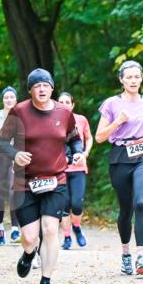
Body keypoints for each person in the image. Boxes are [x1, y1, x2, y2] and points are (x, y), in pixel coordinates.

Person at [0, 68, 84, 284]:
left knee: (50, 230)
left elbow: (74, 138)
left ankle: (46, 283)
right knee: (30, 237)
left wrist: (77, 153)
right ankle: (28, 253)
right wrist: (15, 155)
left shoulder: (64, 113)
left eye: (45, 85)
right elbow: (1, 142)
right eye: (37, 85)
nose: (42, 89)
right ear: (30, 90)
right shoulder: (19, 111)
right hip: (25, 183)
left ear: (52, 88)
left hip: (56, 180)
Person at [95, 60, 143, 276]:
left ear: (141, 78)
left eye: (137, 76)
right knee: (126, 210)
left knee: (141, 202)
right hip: (120, 157)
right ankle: (126, 253)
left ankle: (141, 256)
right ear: (121, 80)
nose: (134, 80)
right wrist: (117, 122)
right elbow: (99, 137)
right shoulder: (111, 104)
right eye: (129, 77)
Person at [57, 92, 93, 249]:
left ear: (72, 105)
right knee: (64, 205)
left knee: (77, 204)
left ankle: (77, 227)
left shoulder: (81, 119)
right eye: (61, 102)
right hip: (60, 169)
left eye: (67, 102)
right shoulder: (53, 120)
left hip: (78, 168)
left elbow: (89, 137)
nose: (64, 104)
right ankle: (66, 238)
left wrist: (85, 153)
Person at [0, 87, 21, 245]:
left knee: (14, 191)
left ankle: (15, 229)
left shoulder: (21, 115)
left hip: (15, 156)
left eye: (11, 97)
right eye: (6, 97)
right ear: (3, 100)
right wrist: (0, 135)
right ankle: (0, 229)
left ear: (16, 99)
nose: (9, 100)